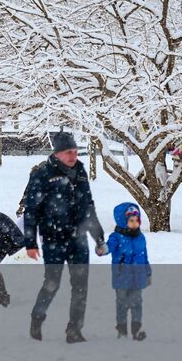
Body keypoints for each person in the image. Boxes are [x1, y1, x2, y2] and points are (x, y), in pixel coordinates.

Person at [23, 131, 107, 343]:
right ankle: (37, 317)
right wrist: (30, 243)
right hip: (53, 238)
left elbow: (88, 206)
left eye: (76, 152)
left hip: (78, 238)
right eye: (69, 152)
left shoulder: (79, 171)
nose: (73, 156)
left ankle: (74, 330)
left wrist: (98, 237)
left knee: (80, 287)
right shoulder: (42, 173)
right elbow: (31, 210)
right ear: (58, 153)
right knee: (52, 282)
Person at [107, 201, 151, 340]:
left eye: (137, 220)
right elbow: (109, 247)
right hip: (122, 276)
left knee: (137, 302)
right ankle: (122, 329)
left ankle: (136, 329)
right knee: (122, 303)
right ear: (123, 221)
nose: (134, 223)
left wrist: (148, 272)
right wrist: (103, 249)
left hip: (138, 276)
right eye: (131, 220)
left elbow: (144, 256)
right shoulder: (116, 237)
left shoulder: (140, 237)